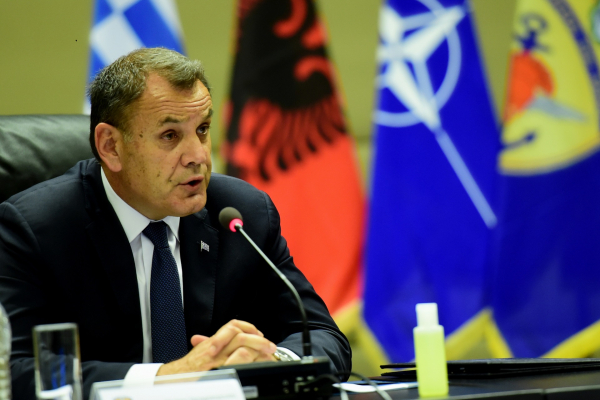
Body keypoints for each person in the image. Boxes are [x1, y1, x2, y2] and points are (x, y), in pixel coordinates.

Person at [0, 47, 351, 399]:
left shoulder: (241, 214)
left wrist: (274, 361)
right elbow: (14, 370)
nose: (199, 156)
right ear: (111, 147)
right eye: (170, 136)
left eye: (202, 129)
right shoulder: (36, 229)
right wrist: (165, 378)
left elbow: (323, 335)